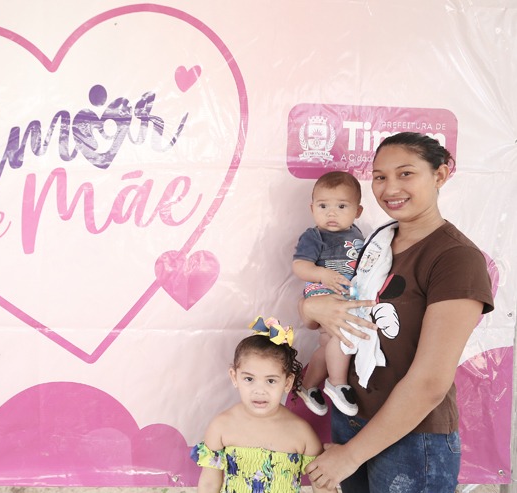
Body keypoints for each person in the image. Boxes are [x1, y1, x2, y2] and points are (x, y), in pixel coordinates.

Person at [300, 132, 494, 492]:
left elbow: (430, 383)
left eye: (406, 173)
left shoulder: (455, 259)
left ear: (439, 175)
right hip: (354, 416)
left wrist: (350, 456)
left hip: (412, 437)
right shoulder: (376, 244)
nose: (390, 188)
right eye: (380, 176)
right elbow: (319, 317)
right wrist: (311, 304)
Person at [191, 316, 336, 493]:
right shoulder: (221, 426)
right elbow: (209, 484)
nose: (259, 390)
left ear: (287, 382)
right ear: (234, 377)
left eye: (271, 381)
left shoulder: (301, 432)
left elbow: (322, 486)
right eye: (249, 379)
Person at [292, 171, 365, 417]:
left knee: (328, 342)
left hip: (347, 294)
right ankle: (337, 383)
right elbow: (299, 266)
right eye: (323, 206)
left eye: (341, 206)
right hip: (322, 292)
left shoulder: (358, 235)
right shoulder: (315, 236)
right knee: (341, 334)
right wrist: (322, 274)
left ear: (358, 211)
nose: (331, 213)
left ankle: (309, 386)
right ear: (312, 208)